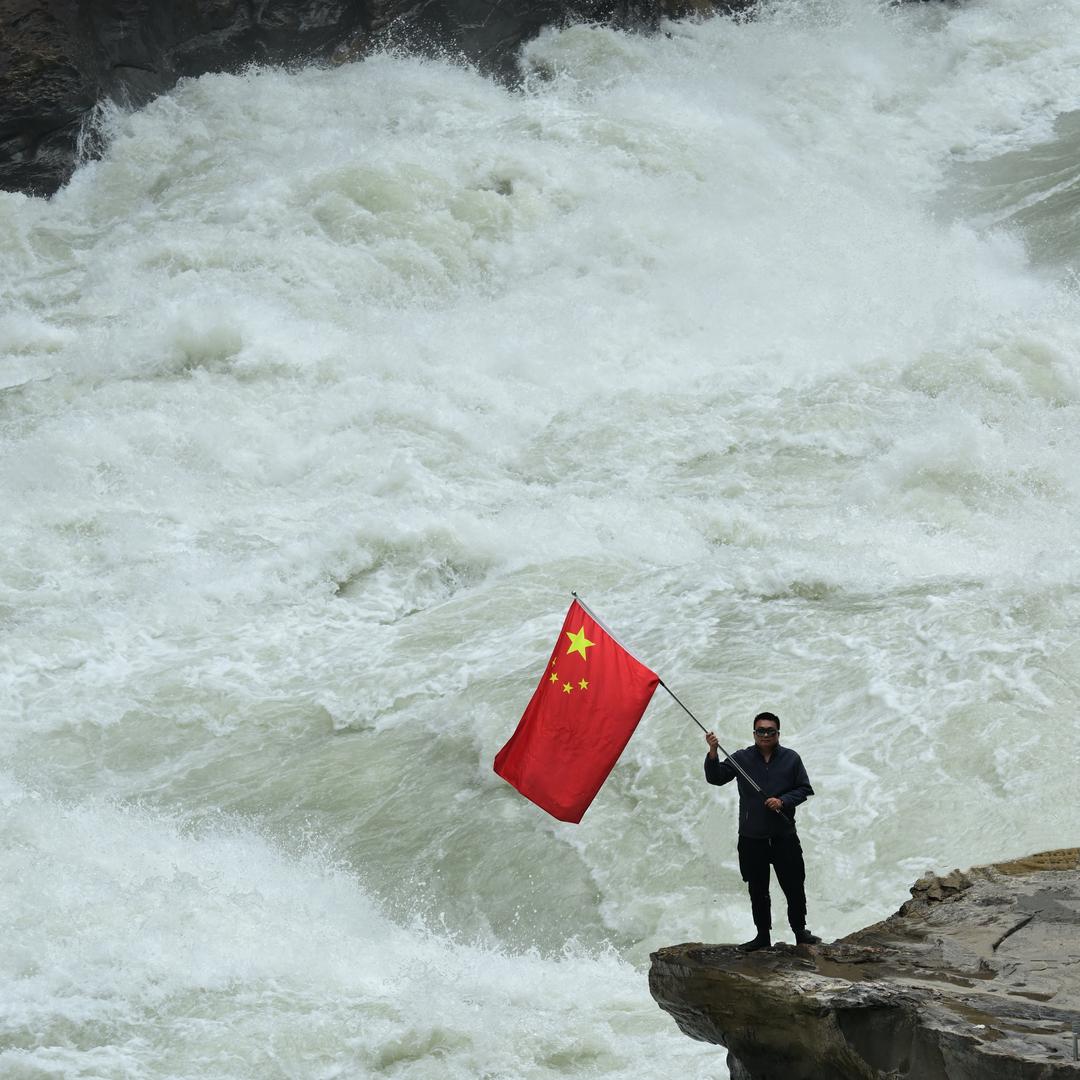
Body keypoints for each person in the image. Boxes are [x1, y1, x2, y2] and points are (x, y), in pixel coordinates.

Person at [704, 712, 821, 951]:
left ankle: (800, 932)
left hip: (784, 836)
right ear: (754, 733)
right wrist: (713, 752)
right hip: (751, 838)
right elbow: (715, 778)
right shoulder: (741, 758)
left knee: (794, 886)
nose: (765, 734)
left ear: (778, 733)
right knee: (757, 890)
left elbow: (804, 789)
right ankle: (762, 937)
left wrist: (783, 801)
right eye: (761, 730)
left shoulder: (791, 759)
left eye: (770, 731)